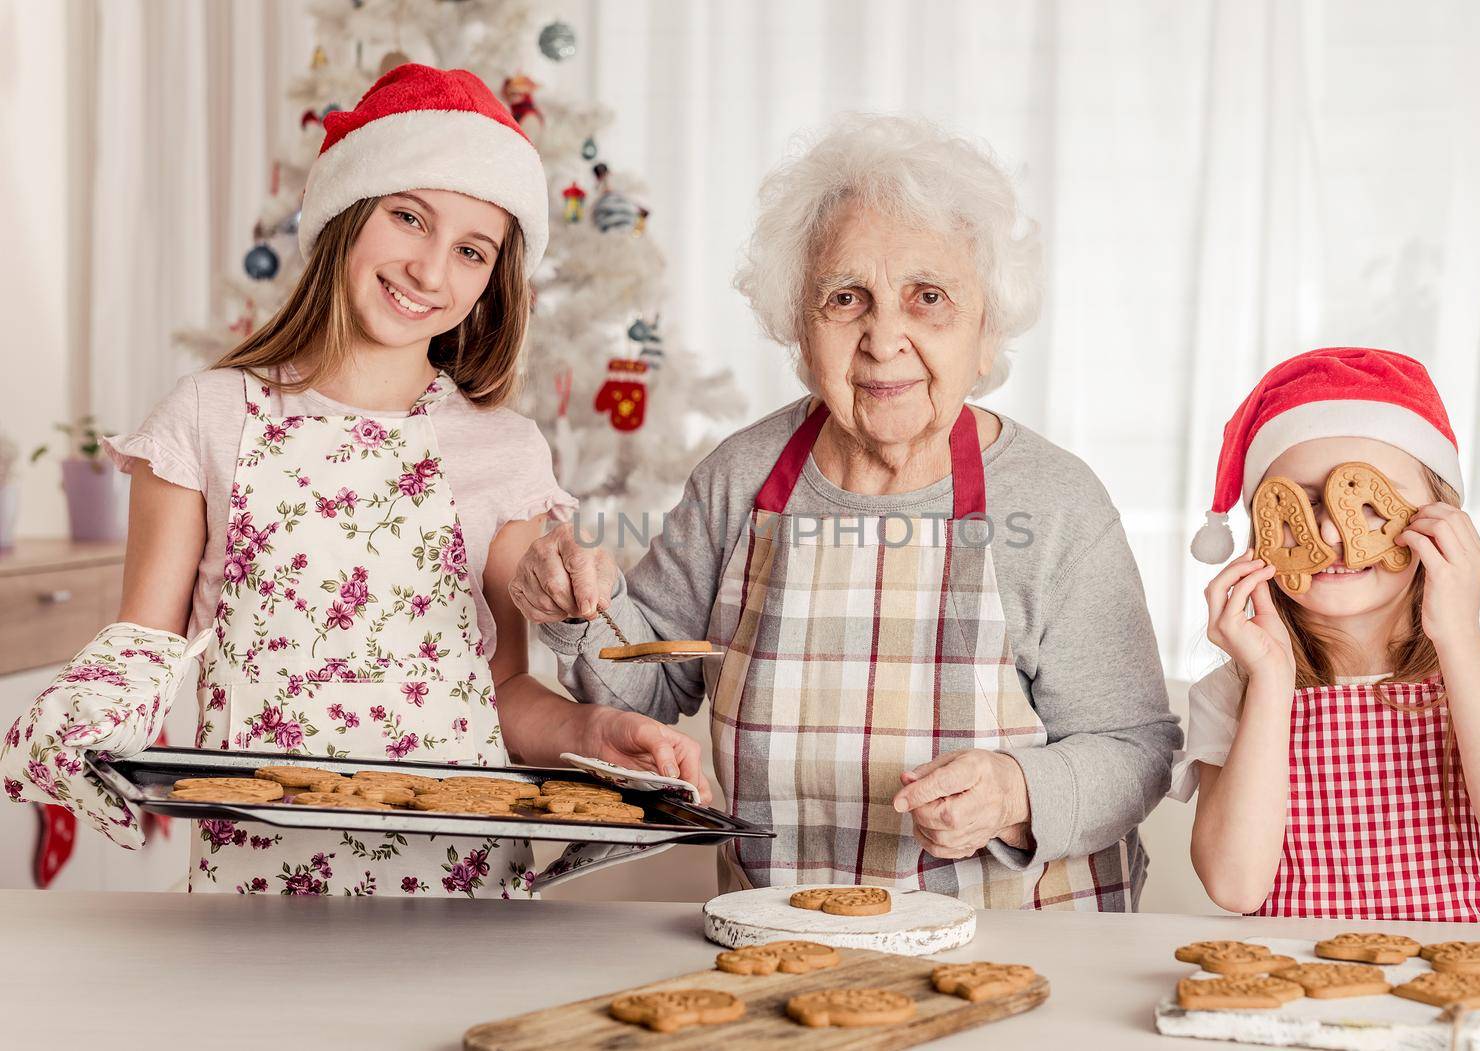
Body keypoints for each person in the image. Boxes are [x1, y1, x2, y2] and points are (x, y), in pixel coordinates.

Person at [1, 64, 704, 898]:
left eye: (471, 250)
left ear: (490, 282)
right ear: (346, 210)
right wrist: (80, 727)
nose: (430, 270)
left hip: (461, 888)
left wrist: (595, 724)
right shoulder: (206, 417)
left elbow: (505, 689)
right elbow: (144, 647)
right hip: (254, 882)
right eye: (409, 217)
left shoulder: (502, 449)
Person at [510, 115, 1179, 911]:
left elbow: (1136, 749)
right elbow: (645, 694)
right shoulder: (742, 478)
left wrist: (1015, 790)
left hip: (1022, 949)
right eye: (846, 298)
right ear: (800, 322)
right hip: (788, 943)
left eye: (928, 298)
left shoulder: (1055, 502)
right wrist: (579, 607)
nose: (883, 338)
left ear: (985, 325)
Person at [1176, 346, 1480, 920]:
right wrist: (1270, 679)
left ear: (1439, 519)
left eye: (1366, 503)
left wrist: (1458, 637)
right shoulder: (1233, 692)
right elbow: (1236, 888)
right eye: (1298, 503)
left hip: (1454, 985)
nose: (1329, 532)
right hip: (1290, 988)